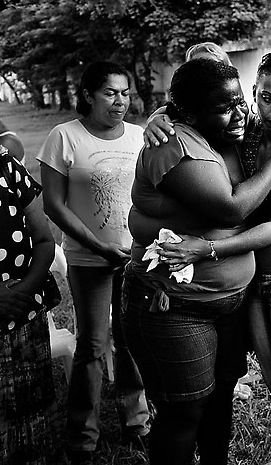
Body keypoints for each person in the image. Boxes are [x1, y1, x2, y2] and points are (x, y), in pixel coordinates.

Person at [123, 58, 271, 464]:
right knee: (184, 410)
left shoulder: (233, 133)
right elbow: (231, 209)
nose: (241, 112)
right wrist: (160, 115)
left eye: (239, 101)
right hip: (179, 305)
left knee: (233, 396)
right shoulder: (176, 140)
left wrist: (204, 248)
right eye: (230, 105)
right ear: (190, 111)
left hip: (245, 296)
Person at [37, 61, 151, 464]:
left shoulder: (139, 137)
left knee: (132, 339)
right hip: (88, 259)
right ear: (88, 95)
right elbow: (54, 204)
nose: (120, 101)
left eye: (125, 93)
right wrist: (95, 246)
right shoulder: (64, 137)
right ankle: (83, 437)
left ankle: (136, 421)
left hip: (136, 258)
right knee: (92, 344)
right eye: (110, 93)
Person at [0, 144, 56, 464]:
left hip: (24, 317)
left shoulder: (7, 167)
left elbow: (45, 241)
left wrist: (21, 293)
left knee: (31, 412)